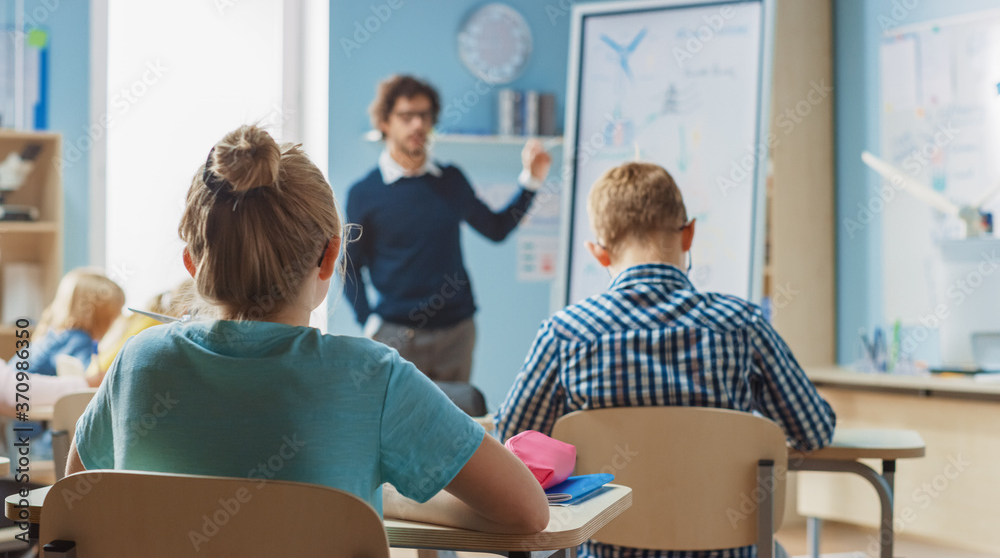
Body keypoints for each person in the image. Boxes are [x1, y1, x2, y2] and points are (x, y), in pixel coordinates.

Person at [68, 125, 548, 534]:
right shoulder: (371, 375)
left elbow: (74, 503)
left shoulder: (138, 361)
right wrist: (390, 498)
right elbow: (527, 511)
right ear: (331, 254)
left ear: (192, 263)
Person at [494, 162, 836, 557]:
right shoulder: (743, 326)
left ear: (599, 253)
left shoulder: (565, 333)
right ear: (688, 234)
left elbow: (512, 441)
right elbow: (814, 430)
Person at [344, 74, 552, 382]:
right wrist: (368, 322)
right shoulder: (364, 192)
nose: (417, 125)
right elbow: (348, 265)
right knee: (396, 428)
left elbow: (496, 229)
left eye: (424, 116)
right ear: (385, 123)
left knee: (455, 427)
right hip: (395, 336)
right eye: (406, 116)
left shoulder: (451, 180)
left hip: (457, 332)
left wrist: (531, 181)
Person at [8, 267, 124, 460]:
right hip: (34, 441)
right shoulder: (77, 339)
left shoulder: (54, 335)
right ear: (101, 315)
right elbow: (90, 386)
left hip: (16, 435)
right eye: (115, 313)